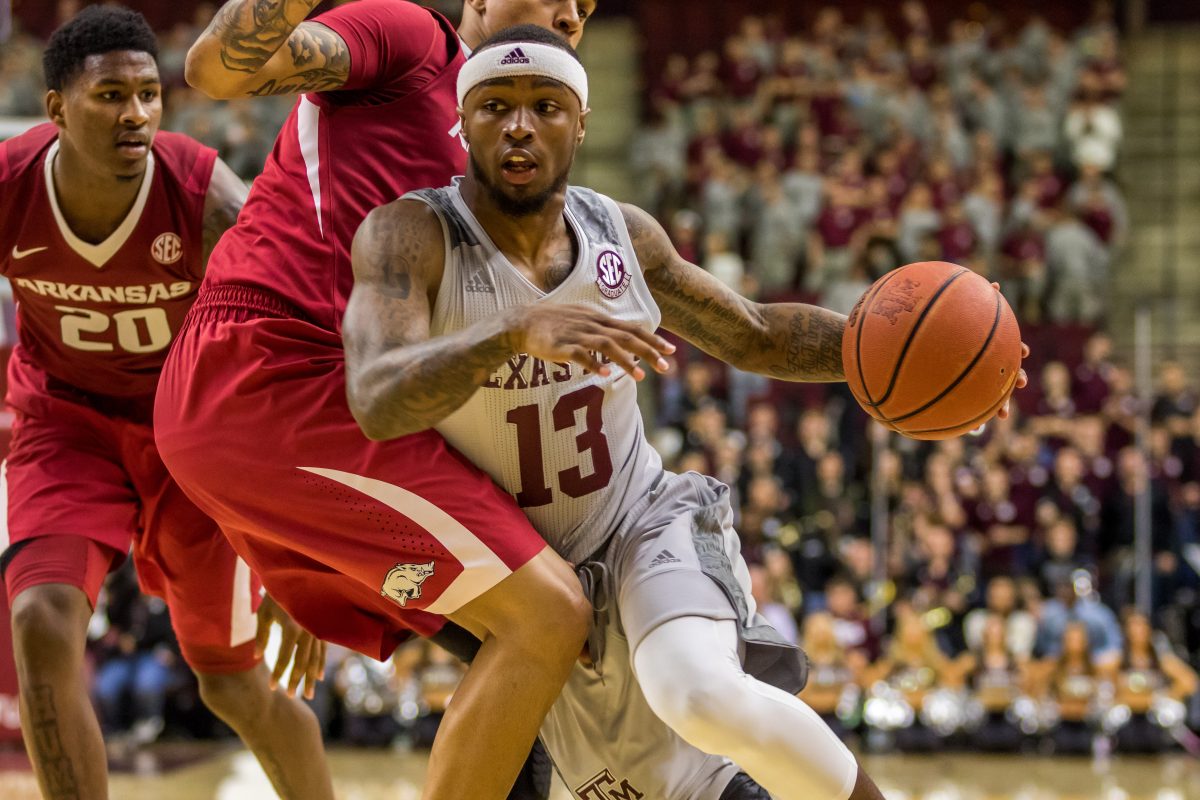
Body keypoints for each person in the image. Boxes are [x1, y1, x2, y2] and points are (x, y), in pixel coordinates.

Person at [346, 28, 1027, 799]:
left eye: (546, 105)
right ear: (461, 122)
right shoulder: (410, 236)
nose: (520, 125)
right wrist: (511, 332)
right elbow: (375, 397)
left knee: (697, 692)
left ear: (582, 120)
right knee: (675, 788)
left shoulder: (621, 236)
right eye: (495, 106)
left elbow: (754, 333)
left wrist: (906, 364)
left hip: (642, 521)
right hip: (531, 580)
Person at [158, 2, 600, 798]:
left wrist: (326, 542)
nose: (571, 10)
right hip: (274, 373)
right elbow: (217, 69)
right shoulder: (411, 39)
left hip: (335, 409)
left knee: (536, 670)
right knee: (548, 616)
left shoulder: (509, 151)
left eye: (587, 3)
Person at [0, 8, 331, 799]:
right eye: (111, 95)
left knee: (233, 685)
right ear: (56, 110)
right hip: (65, 421)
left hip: (197, 437)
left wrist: (295, 551)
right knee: (41, 623)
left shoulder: (209, 197)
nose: (136, 113)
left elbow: (293, 366)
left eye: (149, 94)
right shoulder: (8, 186)